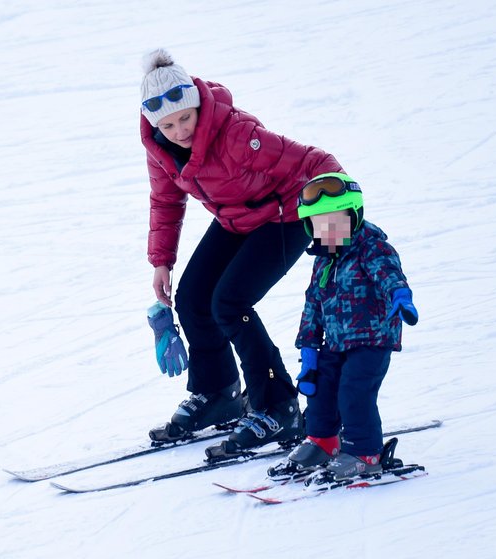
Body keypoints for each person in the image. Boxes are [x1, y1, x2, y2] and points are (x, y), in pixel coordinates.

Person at [139, 48, 346, 458]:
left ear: (197, 105)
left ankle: (278, 405)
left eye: (186, 118)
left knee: (230, 303)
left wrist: (338, 216)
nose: (180, 130)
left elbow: (311, 160)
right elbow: (165, 200)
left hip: (285, 215)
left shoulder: (236, 134)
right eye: (168, 123)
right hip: (237, 218)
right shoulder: (160, 147)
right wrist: (162, 260)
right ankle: (217, 392)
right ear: (153, 123)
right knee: (194, 297)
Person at [269, 172, 419, 480]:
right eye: (320, 224)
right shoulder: (323, 261)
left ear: (354, 216)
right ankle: (323, 441)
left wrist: (400, 296)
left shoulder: (372, 249)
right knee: (320, 390)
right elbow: (313, 305)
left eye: (336, 221)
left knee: (354, 393)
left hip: (372, 341)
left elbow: (389, 275)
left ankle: (365, 453)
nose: (329, 230)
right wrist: (309, 350)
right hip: (335, 344)